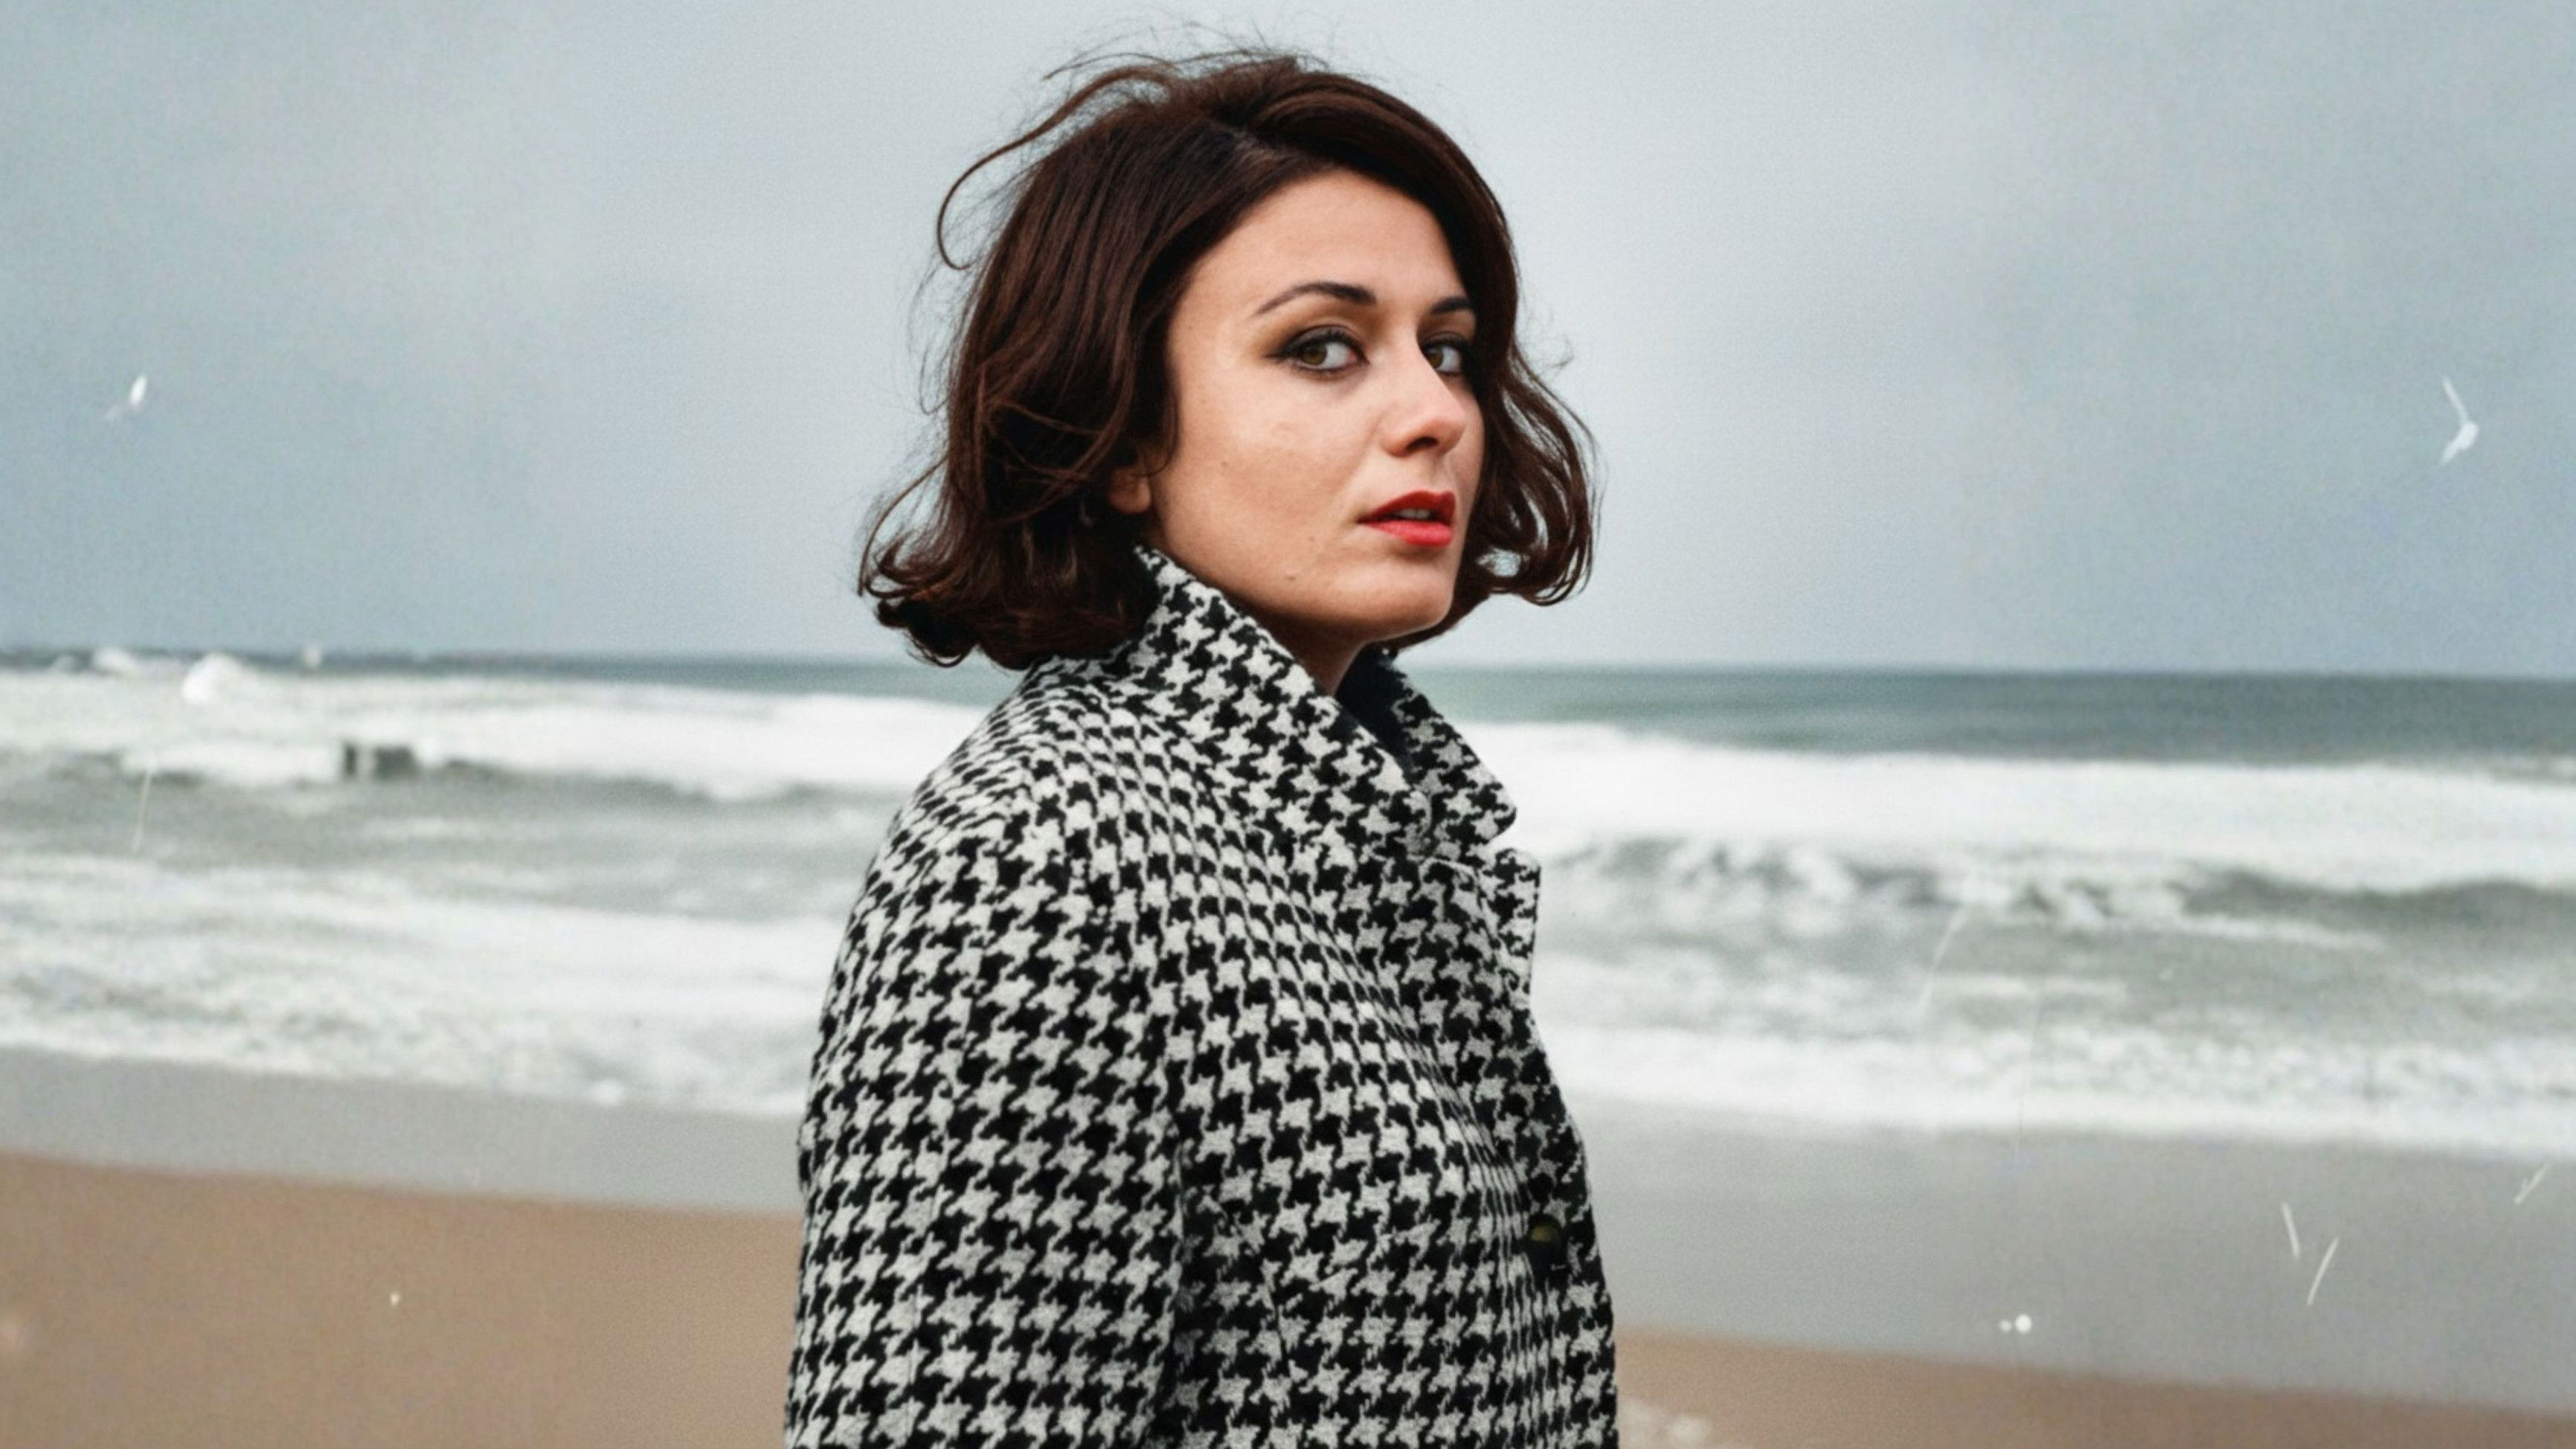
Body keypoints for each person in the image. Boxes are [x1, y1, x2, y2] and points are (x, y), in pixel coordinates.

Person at [785, 43, 1611, 1448]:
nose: (1437, 414)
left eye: (1448, 348)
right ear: (1119, 436)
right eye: (1322, 348)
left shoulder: (1352, 820)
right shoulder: (1039, 866)